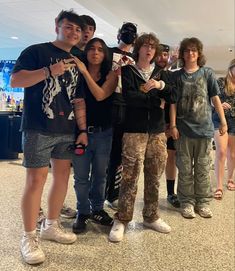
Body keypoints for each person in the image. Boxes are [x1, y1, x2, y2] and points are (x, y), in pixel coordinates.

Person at [10, 10, 87, 265]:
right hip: (38, 127)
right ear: (57, 26)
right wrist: (48, 71)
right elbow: (16, 80)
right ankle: (29, 236)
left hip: (67, 128)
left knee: (62, 177)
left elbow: (77, 97)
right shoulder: (36, 51)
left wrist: (82, 129)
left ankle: (52, 225)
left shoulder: (77, 59)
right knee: (36, 181)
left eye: (78, 30)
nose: (74, 32)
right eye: (69, 27)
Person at [109, 33, 176, 242]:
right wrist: (155, 100)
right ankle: (122, 218)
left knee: (154, 175)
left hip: (157, 132)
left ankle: (151, 215)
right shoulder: (128, 71)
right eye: (145, 46)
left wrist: (159, 87)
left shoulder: (161, 74)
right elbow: (130, 98)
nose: (149, 50)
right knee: (129, 176)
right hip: (134, 130)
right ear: (138, 48)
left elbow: (174, 95)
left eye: (152, 47)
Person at [170, 37, 227, 219]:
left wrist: (223, 121)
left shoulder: (207, 73)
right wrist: (172, 125)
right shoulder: (176, 76)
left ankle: (203, 201)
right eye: (187, 50)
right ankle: (186, 202)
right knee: (185, 168)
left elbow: (215, 98)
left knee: (203, 168)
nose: (190, 53)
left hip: (204, 129)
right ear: (183, 54)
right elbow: (173, 103)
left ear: (199, 53)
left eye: (194, 50)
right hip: (183, 129)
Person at [71, 38, 118, 233]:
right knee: (81, 177)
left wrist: (84, 71)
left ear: (105, 54)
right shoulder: (75, 75)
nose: (95, 52)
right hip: (80, 134)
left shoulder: (111, 74)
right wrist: (80, 71)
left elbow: (100, 95)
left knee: (100, 176)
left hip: (103, 133)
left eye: (100, 49)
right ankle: (82, 211)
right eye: (91, 49)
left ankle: (97, 209)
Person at [105, 22, 137, 210]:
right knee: (104, 154)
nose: (128, 35)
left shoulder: (135, 58)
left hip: (128, 108)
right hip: (109, 105)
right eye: (125, 32)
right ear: (118, 34)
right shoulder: (108, 53)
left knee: (119, 155)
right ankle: (97, 194)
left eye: (132, 33)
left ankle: (113, 194)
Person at [155, 44, 180, 208]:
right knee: (153, 160)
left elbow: (172, 102)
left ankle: (171, 193)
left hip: (167, 123)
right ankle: (151, 194)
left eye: (165, 55)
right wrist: (170, 64)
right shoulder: (146, 71)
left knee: (170, 157)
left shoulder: (171, 76)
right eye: (159, 55)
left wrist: (172, 125)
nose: (162, 58)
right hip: (149, 124)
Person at [213, 59, 235, 199]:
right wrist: (221, 104)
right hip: (220, 119)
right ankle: (219, 185)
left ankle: (230, 179)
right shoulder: (221, 82)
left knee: (232, 154)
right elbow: (213, 99)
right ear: (231, 68)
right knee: (221, 151)